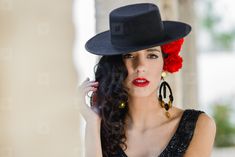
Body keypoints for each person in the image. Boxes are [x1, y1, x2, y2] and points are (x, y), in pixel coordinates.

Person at [79, 3, 216, 157]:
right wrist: (92, 122)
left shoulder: (198, 125)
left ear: (165, 64)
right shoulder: (102, 130)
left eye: (152, 55)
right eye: (129, 56)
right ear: (116, 66)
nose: (141, 67)